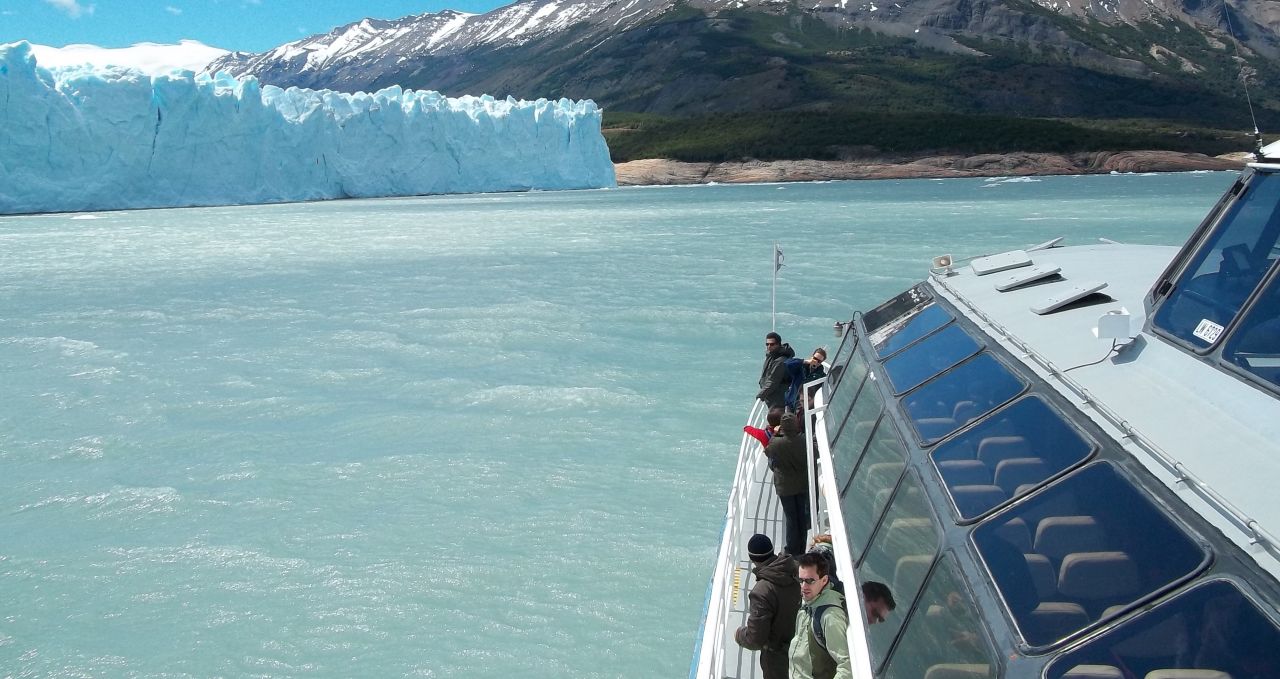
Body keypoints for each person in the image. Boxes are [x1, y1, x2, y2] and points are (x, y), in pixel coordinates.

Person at [734, 534, 802, 679]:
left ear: (752, 559)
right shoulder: (796, 568)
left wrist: (740, 634)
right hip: (802, 646)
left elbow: (755, 639)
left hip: (777, 656)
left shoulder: (761, 592)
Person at [789, 552, 851, 679]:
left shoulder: (830, 617)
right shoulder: (811, 598)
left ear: (824, 580)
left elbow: (847, 666)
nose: (804, 586)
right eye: (800, 580)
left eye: (810, 581)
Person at [762, 406, 810, 557]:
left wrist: (775, 435)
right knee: (802, 515)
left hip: (785, 486)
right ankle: (802, 545)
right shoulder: (803, 440)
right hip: (802, 483)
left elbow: (768, 452)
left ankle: (792, 549)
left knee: (791, 518)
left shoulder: (776, 443)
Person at [758, 332, 794, 409]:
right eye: (767, 344)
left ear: (779, 344)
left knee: (777, 417)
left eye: (772, 344)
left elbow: (773, 381)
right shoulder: (771, 355)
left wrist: (760, 395)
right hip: (772, 395)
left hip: (778, 398)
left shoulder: (780, 361)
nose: (769, 346)